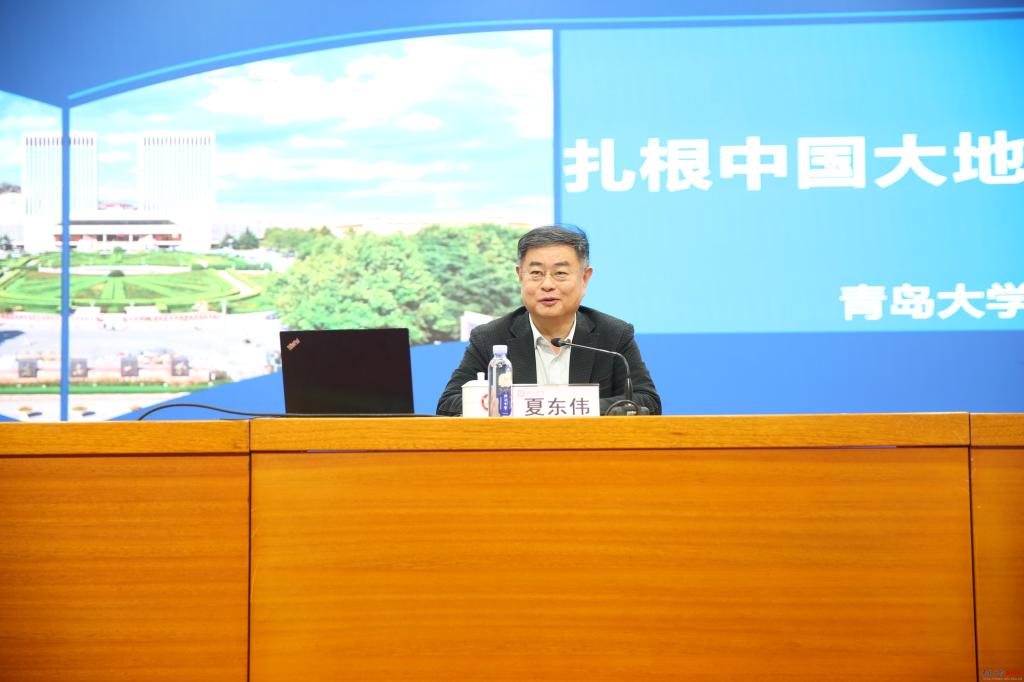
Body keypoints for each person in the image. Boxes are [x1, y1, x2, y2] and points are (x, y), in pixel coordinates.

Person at [436, 225, 661, 416]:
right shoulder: (491, 337)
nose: (547, 285)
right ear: (520, 276)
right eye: (536, 273)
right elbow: (447, 405)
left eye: (560, 273)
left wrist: (568, 406)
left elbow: (647, 402)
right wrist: (520, 405)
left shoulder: (614, 335)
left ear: (585, 278)